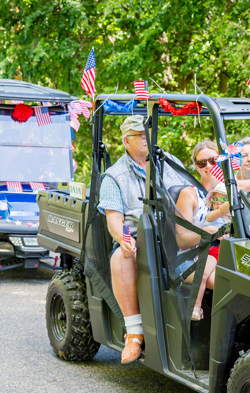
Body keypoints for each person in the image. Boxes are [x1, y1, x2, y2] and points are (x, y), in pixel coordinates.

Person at [98, 115, 188, 364]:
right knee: (122, 256)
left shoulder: (169, 163)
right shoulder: (114, 176)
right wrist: (123, 239)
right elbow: (115, 221)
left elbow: (189, 195)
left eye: (147, 133)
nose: (146, 138)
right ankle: (135, 331)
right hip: (139, 237)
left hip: (175, 232)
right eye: (140, 135)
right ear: (126, 141)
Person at [173, 141, 229, 321]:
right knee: (228, 282)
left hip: (228, 251)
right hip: (193, 256)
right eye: (202, 162)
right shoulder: (189, 194)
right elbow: (182, 240)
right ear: (196, 167)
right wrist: (211, 232)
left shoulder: (232, 190)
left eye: (213, 160)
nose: (209, 166)